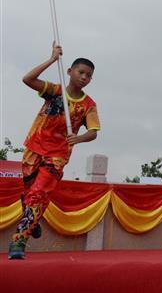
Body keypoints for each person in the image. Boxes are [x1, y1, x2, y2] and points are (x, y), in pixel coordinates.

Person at [8, 44, 101, 260]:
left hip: (57, 155)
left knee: (39, 193)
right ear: (70, 72)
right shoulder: (54, 90)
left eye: (88, 76)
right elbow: (27, 79)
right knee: (30, 193)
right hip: (35, 147)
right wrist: (51, 60)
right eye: (81, 72)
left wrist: (78, 138)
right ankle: (33, 220)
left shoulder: (88, 105)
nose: (84, 77)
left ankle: (19, 240)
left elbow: (94, 132)